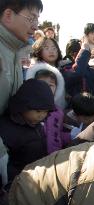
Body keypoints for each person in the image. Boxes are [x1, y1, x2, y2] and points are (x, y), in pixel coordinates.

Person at [0, 0, 43, 187]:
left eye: (37, 19)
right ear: (8, 15)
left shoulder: (14, 52)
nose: (36, 26)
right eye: (31, 18)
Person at [0, 79, 55, 186]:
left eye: (46, 111)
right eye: (38, 111)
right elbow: (6, 165)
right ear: (23, 106)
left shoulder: (35, 123)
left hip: (37, 176)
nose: (42, 115)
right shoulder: (7, 129)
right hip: (19, 183)